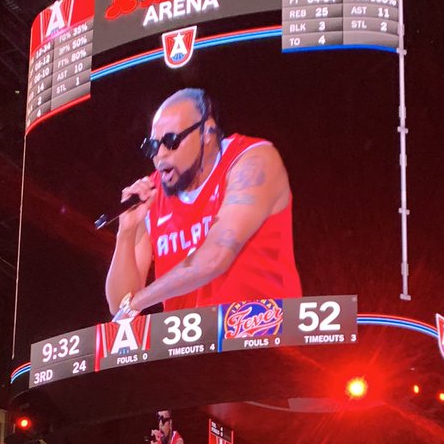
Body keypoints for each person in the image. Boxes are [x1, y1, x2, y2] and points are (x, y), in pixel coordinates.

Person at [105, 87, 301, 317]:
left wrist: (137, 302)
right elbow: (120, 305)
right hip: (192, 348)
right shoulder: (151, 193)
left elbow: (215, 257)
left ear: (207, 132)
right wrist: (126, 233)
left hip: (263, 338)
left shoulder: (253, 161)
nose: (160, 155)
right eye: (153, 146)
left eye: (171, 141)